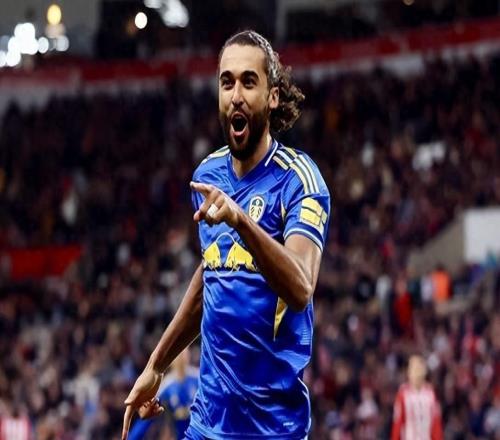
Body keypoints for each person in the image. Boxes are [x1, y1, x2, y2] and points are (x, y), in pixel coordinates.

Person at [122, 29, 331, 440]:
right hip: (207, 423)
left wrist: (241, 221)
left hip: (273, 429)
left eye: (249, 82)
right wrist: (157, 365)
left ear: (272, 96)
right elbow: (212, 273)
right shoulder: (208, 175)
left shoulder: (299, 180)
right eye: (227, 82)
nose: (236, 95)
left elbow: (301, 287)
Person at [128, 349, 198, 439]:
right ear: (172, 360)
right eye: (178, 355)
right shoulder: (166, 385)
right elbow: (147, 416)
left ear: (188, 356)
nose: (181, 358)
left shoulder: (197, 378)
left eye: (184, 354)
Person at [391, 355, 443, 440]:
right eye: (414, 370)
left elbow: (436, 422)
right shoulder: (403, 393)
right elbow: (397, 422)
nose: (417, 374)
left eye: (419, 369)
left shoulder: (431, 394)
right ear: (409, 373)